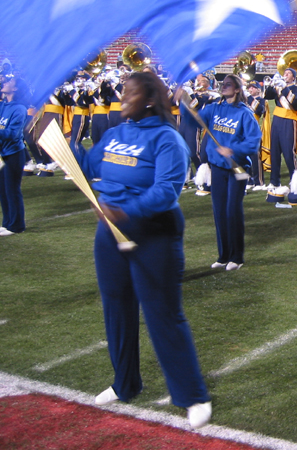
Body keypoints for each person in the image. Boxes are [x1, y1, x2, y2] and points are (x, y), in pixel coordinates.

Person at [74, 71, 212, 428]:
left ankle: (191, 395)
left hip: (154, 234)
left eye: (129, 93)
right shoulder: (115, 134)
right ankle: (125, 383)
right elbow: (89, 167)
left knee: (162, 314)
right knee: (116, 309)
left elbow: (167, 191)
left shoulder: (168, 139)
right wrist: (63, 143)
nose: (123, 98)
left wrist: (126, 212)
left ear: (149, 99)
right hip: (110, 234)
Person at [198, 75, 261, 270]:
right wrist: (183, 100)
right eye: (222, 84)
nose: (224, 87)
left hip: (238, 167)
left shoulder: (245, 113)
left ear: (236, 89)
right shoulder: (215, 108)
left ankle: (237, 256)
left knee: (232, 210)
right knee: (219, 211)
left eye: (228, 85)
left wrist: (233, 150)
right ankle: (223, 255)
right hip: (217, 166)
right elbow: (196, 119)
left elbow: (253, 143)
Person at [0, 77, 30, 236]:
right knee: (2, 190)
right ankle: (7, 223)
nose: (4, 82)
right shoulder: (2, 105)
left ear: (16, 88)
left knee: (12, 189)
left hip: (13, 153)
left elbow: (12, 134)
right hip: (1, 153)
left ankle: (17, 225)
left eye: (9, 81)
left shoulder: (19, 109)